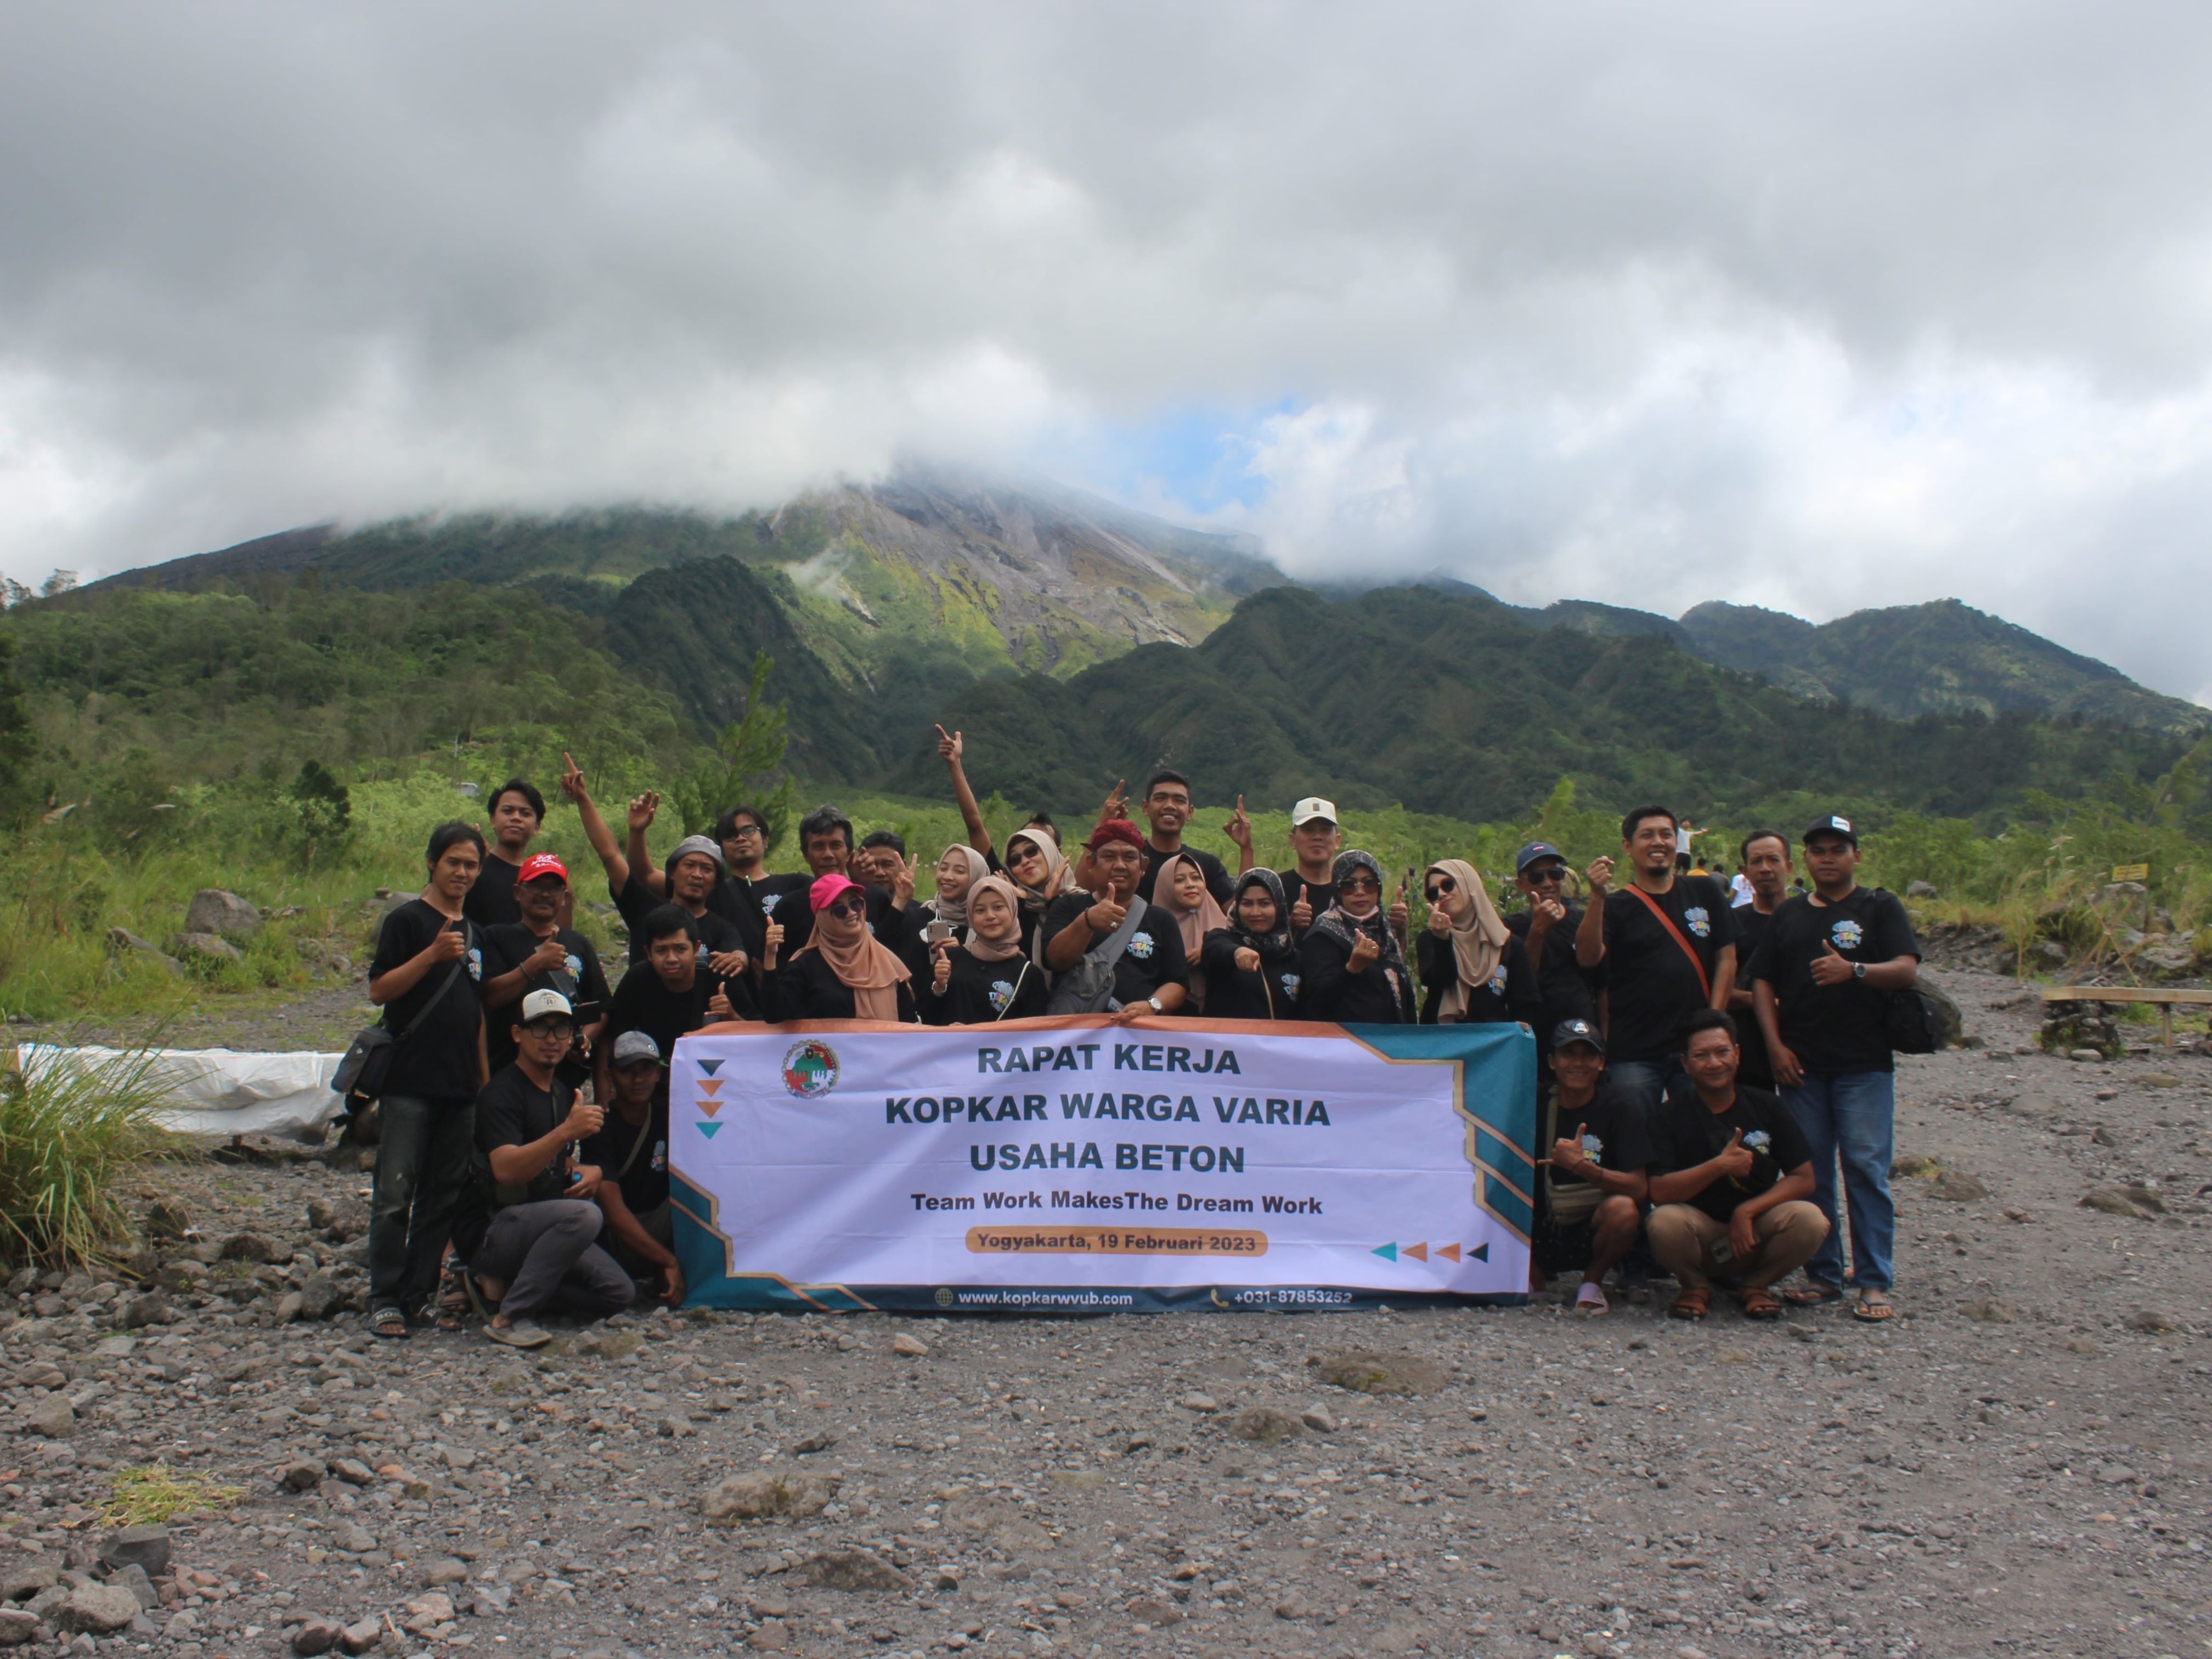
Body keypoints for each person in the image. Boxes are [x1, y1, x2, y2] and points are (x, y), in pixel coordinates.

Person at [1747, 814, 1922, 1323]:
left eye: (1838, 849)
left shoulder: (1880, 907)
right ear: (1805, 858)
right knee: (1812, 1172)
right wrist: (1775, 1047)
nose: (1828, 858)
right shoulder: (1790, 914)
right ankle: (1824, 1275)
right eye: (1818, 850)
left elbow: (1907, 969)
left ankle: (1873, 1280)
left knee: (1866, 1168)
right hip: (1802, 1067)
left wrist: (1855, 971)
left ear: (1856, 856)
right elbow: (1762, 980)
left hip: (1865, 1064)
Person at [364, 820, 490, 1340]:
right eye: (453, 862)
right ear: (432, 863)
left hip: (460, 1085)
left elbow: (476, 1012)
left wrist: (483, 1082)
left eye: (471, 865)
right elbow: (380, 990)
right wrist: (431, 956)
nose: (462, 872)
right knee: (395, 1194)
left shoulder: (477, 932)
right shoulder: (407, 921)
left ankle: (418, 1296)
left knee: (443, 1196)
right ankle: (384, 1297)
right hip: (410, 1081)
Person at [453, 990, 635, 1347]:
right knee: (585, 1216)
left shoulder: (560, 1092)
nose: (551, 1039)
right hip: (493, 1226)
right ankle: (510, 1316)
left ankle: (503, 1288)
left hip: (540, 1225)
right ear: (517, 1034)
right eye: (540, 1029)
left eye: (561, 1030)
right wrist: (566, 1132)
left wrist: (588, 1170)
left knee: (618, 1292)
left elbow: (555, 1159)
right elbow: (506, 1170)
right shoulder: (501, 1093)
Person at [1646, 1011, 1829, 1322]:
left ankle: (1757, 1285)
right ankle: (1694, 1286)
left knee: (1810, 1219)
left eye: (1722, 1052)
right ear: (1685, 1064)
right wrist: (1719, 1166)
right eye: (1701, 1056)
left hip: (1755, 1233)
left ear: (1738, 1054)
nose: (1714, 1063)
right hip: (1699, 1235)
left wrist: (1748, 1212)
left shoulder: (1768, 1106)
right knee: (1663, 1222)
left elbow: (1804, 1178)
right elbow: (1659, 1192)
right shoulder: (1668, 1115)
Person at [1575, 805, 1739, 1115]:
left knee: (1701, 1132)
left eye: (1666, 834)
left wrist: (1714, 1021)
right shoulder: (1616, 905)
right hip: (1635, 1050)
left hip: (1697, 1048)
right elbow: (1587, 957)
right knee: (1634, 1132)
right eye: (1647, 835)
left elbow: (1726, 957)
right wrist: (1596, 896)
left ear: (1677, 842)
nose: (1658, 842)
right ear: (1628, 847)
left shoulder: (1704, 890)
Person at [1532, 1019, 1651, 1314]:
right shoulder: (1532, 1102)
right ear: (1552, 1061)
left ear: (1601, 1063)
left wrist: (1584, 1168)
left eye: (1588, 1055)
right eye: (1568, 1054)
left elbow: (1639, 1188)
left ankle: (1592, 1283)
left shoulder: (1621, 1108)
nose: (1578, 1063)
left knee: (1624, 1210)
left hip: (1592, 1227)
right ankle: (1531, 1275)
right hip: (1539, 1226)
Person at [599, 905, 754, 1108]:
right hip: (653, 1085)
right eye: (661, 950)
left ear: (696, 949)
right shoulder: (638, 980)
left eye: (680, 949)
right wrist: (604, 1097)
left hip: (716, 1084)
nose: (671, 959)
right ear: (648, 953)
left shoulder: (720, 975)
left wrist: (731, 1016)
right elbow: (611, 1038)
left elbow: (756, 1037)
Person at [481, 854, 610, 1085]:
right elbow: (489, 998)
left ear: (564, 897)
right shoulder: (496, 937)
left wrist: (582, 1040)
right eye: (536, 886)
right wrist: (535, 964)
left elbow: (602, 1008)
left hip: (564, 1079)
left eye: (554, 888)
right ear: (517, 892)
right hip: (506, 1072)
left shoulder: (578, 944)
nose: (546, 894)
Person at [1043, 820, 1190, 1021]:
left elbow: (1178, 983)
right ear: (1091, 864)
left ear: (1143, 866)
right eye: (1109, 856)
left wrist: (1152, 1005)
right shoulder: (1067, 906)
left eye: (1130, 857)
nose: (1120, 865)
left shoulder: (1162, 919)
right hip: (1075, 1032)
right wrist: (1086, 922)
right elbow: (1055, 961)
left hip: (1136, 1032)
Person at [578, 1030, 683, 1307]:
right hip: (619, 1240)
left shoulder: (671, 1115)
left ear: (658, 1074)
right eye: (627, 1071)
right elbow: (614, 1214)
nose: (638, 1080)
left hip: (659, 1226)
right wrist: (668, 1261)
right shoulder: (599, 1128)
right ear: (610, 1076)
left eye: (646, 1070)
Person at [767, 872, 920, 1022]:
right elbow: (775, 1014)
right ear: (823, 917)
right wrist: (770, 956)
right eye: (839, 910)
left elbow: (908, 1024)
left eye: (856, 904)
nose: (851, 913)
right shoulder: (806, 965)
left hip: (886, 1040)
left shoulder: (885, 960)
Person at [1504, 841, 1598, 1061]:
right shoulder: (1510, 927)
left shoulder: (1583, 921)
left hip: (1582, 1036)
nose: (1548, 883)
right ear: (1521, 884)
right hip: (1536, 1036)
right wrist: (1538, 929)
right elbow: (1521, 982)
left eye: (1555, 874)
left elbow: (1602, 983)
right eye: (1537, 877)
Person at [1417, 859, 1538, 1026]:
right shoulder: (1429, 939)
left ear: (1469, 886)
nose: (1441, 894)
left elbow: (1525, 1003)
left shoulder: (1505, 943)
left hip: (1493, 1040)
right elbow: (1442, 981)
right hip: (1442, 1039)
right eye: (1433, 893)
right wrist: (1442, 940)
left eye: (1448, 885)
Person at [1297, 850, 1414, 1023]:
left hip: (1392, 1037)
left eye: (1370, 884)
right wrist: (1352, 969)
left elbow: (1404, 994)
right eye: (1348, 885)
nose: (1360, 892)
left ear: (1379, 888)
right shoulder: (1323, 934)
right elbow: (1314, 1002)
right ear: (1337, 891)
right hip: (1345, 1037)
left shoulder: (1385, 930)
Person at [922, 873, 1048, 1024]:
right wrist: (939, 987)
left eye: (998, 907)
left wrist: (976, 1034)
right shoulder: (950, 959)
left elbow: (1034, 1031)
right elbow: (925, 1017)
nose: (990, 916)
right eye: (980, 910)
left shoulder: (1028, 974)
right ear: (971, 916)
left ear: (1013, 910)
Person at [1725, 830, 1792, 1093]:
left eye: (1774, 860)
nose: (1765, 869)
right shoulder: (1732, 924)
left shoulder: (1808, 919)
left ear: (1789, 866)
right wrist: (1763, 1001)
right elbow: (1720, 990)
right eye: (1756, 862)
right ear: (1745, 872)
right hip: (1747, 1049)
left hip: (1801, 1046)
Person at [1199, 868, 1302, 1020]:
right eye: (1247, 904)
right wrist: (1238, 953)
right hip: (1228, 1036)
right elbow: (1216, 950)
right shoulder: (1220, 939)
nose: (1255, 913)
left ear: (1279, 906)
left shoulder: (1292, 956)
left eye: (1265, 904)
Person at [1127, 770, 1237, 904]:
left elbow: (1238, 911)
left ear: (1190, 812)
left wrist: (1246, 848)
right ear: (1146, 808)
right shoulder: (1129, 859)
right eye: (1160, 798)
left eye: (1179, 800)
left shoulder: (1208, 865)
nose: (1170, 806)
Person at [1149, 852, 1229, 1012]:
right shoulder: (1153, 930)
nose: (1190, 884)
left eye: (1196, 878)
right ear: (1166, 887)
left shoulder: (1226, 926)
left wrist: (1210, 952)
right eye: (1179, 880)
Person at [463, 778, 545, 928]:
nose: (516, 818)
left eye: (525, 813)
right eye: (507, 811)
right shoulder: (471, 869)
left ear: (537, 827)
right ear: (493, 820)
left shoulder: (540, 880)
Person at [1002, 825, 1076, 966]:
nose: (1025, 861)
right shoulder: (1013, 912)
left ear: (1050, 851)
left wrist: (1054, 902)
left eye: (1031, 851)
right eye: (1015, 860)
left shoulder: (1081, 901)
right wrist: (1018, 903)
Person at [1277, 797, 1344, 936]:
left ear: (1337, 841)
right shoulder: (1276, 888)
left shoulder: (1349, 889)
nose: (1317, 837)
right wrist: (1291, 924)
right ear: (1293, 840)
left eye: (1325, 830)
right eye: (1308, 830)